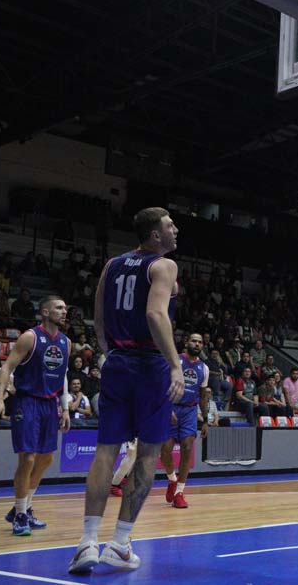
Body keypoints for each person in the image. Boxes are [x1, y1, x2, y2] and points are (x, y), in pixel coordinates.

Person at [68, 207, 185, 575]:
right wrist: (175, 364)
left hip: (117, 361)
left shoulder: (112, 265)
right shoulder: (163, 265)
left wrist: (109, 352)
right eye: (170, 225)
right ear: (155, 235)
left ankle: (87, 542)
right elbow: (155, 314)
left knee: (106, 450)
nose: (176, 229)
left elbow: (99, 316)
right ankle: (119, 544)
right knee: (148, 454)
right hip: (150, 364)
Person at [0, 296, 71, 536]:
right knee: (28, 459)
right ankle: (21, 514)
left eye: (65, 308)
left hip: (50, 404)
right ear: (45, 311)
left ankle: (24, 507)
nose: (64, 311)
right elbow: (7, 367)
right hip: (27, 401)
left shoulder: (66, 342)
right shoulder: (30, 337)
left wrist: (65, 407)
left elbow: (63, 376)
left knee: (46, 459)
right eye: (59, 308)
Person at [160, 333, 208, 509]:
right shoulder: (174, 361)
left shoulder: (204, 368)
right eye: (194, 341)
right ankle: (172, 480)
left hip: (190, 410)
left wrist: (205, 420)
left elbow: (203, 395)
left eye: (200, 342)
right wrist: (166, 408)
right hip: (171, 407)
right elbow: (161, 385)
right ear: (187, 342)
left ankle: (179, 492)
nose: (197, 344)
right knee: (165, 450)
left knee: (187, 449)